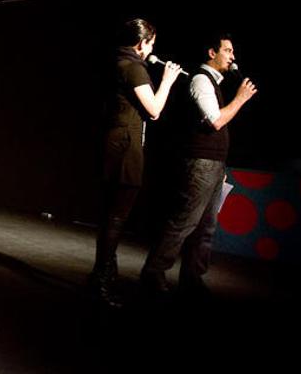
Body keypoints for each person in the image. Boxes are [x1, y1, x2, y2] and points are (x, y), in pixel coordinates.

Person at [140, 33, 257, 297]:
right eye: (227, 51)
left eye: (232, 51)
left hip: (214, 165)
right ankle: (153, 272)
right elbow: (215, 120)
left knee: (206, 228)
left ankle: (192, 278)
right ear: (212, 53)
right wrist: (240, 99)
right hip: (201, 164)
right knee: (185, 221)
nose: (232, 57)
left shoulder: (214, 83)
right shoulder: (201, 80)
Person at [88, 18, 181, 307]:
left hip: (112, 142)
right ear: (142, 43)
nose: (152, 49)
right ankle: (102, 281)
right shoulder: (133, 67)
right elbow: (153, 110)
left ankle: (102, 276)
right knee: (116, 216)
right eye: (151, 44)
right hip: (125, 146)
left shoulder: (116, 62)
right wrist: (167, 81)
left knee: (110, 215)